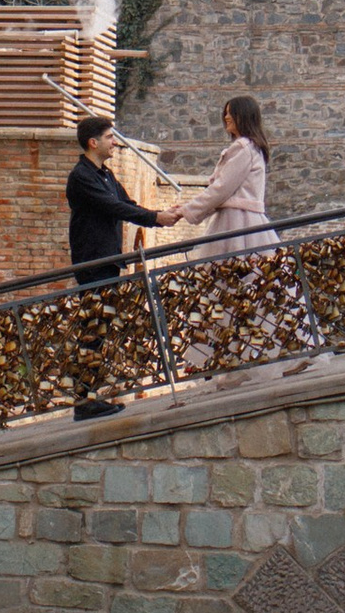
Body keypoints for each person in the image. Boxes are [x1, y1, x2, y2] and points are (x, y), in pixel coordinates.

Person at [65, 115, 178, 417]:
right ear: (94, 142)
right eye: (109, 137)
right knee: (92, 329)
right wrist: (156, 218)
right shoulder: (81, 177)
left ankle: (90, 396)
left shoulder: (105, 175)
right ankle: (84, 402)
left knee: (99, 329)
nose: (114, 142)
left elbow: (128, 204)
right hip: (92, 262)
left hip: (108, 260)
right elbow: (113, 208)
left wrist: (159, 215)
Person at [171, 94, 276, 255]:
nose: (226, 117)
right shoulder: (252, 147)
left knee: (229, 272)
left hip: (236, 222)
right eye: (225, 113)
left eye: (230, 113)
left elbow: (221, 189)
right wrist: (188, 209)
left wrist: (187, 210)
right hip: (248, 222)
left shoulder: (244, 148)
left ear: (243, 116)